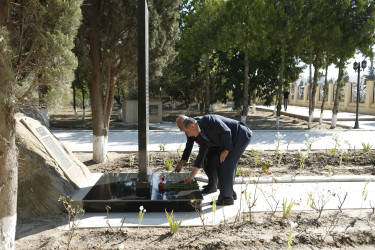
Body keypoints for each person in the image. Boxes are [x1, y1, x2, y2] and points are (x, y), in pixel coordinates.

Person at [181, 114, 252, 206]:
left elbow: (226, 131)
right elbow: (201, 155)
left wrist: (226, 150)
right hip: (231, 139)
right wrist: (191, 176)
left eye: (187, 132)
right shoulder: (201, 135)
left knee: (226, 163)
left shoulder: (208, 120)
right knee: (219, 162)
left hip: (240, 135)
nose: (188, 135)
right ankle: (230, 192)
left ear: (192, 126)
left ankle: (226, 198)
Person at [175, 115, 221, 194]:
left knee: (209, 162)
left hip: (215, 144)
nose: (180, 130)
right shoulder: (187, 127)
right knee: (206, 162)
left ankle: (213, 185)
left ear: (185, 123)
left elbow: (203, 147)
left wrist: (192, 175)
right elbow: (189, 146)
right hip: (207, 145)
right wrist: (181, 163)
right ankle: (214, 183)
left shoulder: (196, 124)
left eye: (180, 128)